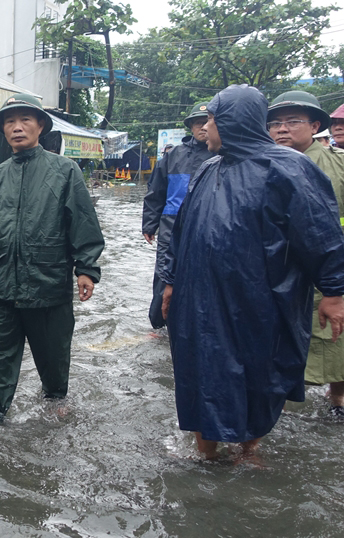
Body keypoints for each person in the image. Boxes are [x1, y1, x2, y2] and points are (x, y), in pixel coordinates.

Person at [161, 85, 344, 460]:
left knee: (259, 373)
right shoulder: (208, 168)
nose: (205, 128)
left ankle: (249, 449)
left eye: (211, 119)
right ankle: (206, 454)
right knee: (199, 371)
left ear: (232, 121)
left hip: (261, 300)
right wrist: (170, 282)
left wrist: (334, 291)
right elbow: (182, 231)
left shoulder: (287, 167)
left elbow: (320, 232)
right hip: (199, 299)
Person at [0, 93, 105, 425]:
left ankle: (55, 401)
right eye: (10, 122)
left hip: (49, 283)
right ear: (3, 129)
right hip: (2, 285)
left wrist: (86, 269)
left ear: (40, 126)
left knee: (53, 353)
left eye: (25, 121)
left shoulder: (65, 172)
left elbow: (83, 222)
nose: (17, 128)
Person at [268, 90, 344, 419]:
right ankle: (278, 409)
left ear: (314, 126)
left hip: (328, 272)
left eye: (293, 122)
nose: (282, 130)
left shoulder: (334, 164)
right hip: (283, 271)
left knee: (334, 340)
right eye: (275, 124)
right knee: (282, 341)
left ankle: (337, 400)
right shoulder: (265, 163)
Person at [141, 103, 213, 329]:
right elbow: (156, 192)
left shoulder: (220, 153)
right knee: (164, 274)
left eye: (207, 122)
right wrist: (150, 224)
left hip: (207, 226)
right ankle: (158, 323)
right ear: (191, 126)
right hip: (171, 225)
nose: (203, 127)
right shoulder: (174, 156)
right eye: (198, 123)